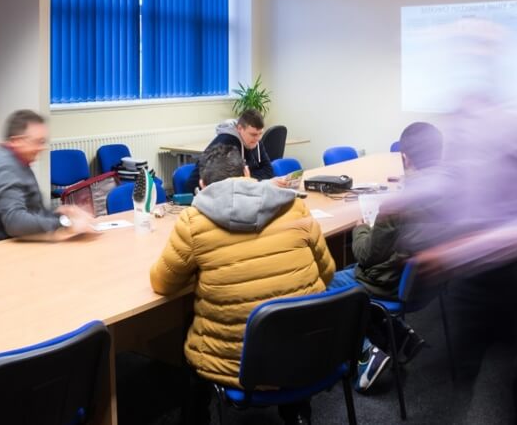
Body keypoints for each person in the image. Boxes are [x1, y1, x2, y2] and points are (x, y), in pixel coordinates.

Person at [150, 142, 335, 425]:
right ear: (247, 172)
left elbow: (163, 283)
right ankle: (296, 412)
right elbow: (328, 272)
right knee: (294, 311)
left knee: (189, 337)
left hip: (236, 363)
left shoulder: (193, 221)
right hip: (305, 349)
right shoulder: (295, 207)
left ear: (202, 184)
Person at [328, 121, 444, 392]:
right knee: (354, 277)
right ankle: (400, 336)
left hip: (391, 283)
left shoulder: (397, 204)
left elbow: (366, 256)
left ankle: (367, 354)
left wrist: (360, 228)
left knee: (326, 282)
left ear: (404, 157)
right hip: (428, 282)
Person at [0, 109, 97, 246]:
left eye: (43, 142)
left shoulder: (18, 161)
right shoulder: (5, 169)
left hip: (18, 243)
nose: (42, 148)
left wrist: (61, 214)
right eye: (38, 142)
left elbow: (33, 211)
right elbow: (15, 223)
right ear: (16, 141)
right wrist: (66, 223)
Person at [184, 108, 274, 194]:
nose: (257, 138)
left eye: (260, 134)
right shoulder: (226, 142)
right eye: (253, 134)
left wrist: (248, 178)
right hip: (201, 195)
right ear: (239, 129)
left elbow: (268, 171)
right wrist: (248, 179)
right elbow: (225, 182)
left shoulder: (255, 141)